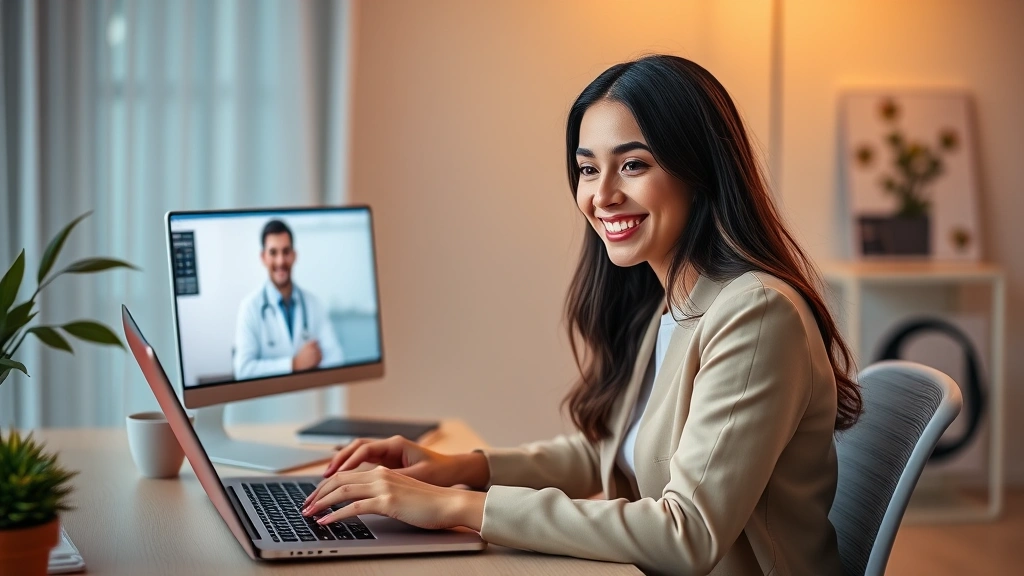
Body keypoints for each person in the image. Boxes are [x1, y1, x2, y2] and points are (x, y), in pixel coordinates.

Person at [300, 55, 861, 575]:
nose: (602, 194)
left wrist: (458, 505)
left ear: (700, 171)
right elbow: (614, 447)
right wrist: (454, 468)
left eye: (633, 164)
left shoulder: (756, 313)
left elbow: (686, 534)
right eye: (588, 170)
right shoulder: (675, 301)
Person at [233, 219, 344, 380]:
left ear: (294, 255)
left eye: (286, 252)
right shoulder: (249, 307)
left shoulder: (314, 304)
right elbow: (243, 370)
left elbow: (336, 359)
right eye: (273, 253)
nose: (280, 261)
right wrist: (294, 364)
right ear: (263, 257)